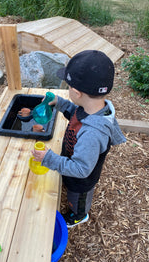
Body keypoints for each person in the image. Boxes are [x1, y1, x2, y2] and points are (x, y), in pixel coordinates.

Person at [32, 50, 126, 228]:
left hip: (81, 179)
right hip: (73, 159)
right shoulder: (91, 107)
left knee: (77, 198)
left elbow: (82, 169)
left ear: (76, 92)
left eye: (68, 86)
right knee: (71, 182)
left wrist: (48, 159)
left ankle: (79, 215)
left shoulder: (93, 133)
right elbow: (74, 113)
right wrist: (59, 103)